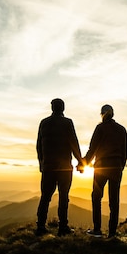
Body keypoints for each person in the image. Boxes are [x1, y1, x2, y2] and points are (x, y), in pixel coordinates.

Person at [35, 98, 83, 236]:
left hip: (48, 167)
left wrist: (41, 164)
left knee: (45, 197)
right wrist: (80, 162)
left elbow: (39, 146)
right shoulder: (67, 122)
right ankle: (63, 227)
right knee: (63, 196)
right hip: (64, 168)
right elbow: (74, 143)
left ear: (52, 108)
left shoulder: (44, 123)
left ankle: (40, 227)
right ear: (63, 108)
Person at [83, 104, 127, 238]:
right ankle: (112, 232)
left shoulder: (100, 128)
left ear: (102, 114)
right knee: (114, 200)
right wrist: (120, 167)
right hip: (116, 168)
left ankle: (97, 230)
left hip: (101, 167)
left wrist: (83, 164)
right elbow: (124, 152)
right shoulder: (121, 130)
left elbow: (92, 149)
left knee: (96, 197)